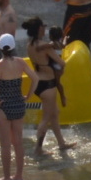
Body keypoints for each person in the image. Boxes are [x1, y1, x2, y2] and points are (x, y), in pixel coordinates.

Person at [0, 32, 31, 180]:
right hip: (18, 104)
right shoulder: (21, 62)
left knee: (5, 144)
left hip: (4, 106)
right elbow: (35, 78)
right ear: (14, 46)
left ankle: (6, 178)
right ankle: (19, 176)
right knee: (18, 142)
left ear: (0, 47)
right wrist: (29, 95)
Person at [28, 21, 70, 156]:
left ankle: (61, 143)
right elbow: (61, 62)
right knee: (46, 118)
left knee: (54, 113)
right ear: (39, 30)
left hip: (37, 82)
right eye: (43, 28)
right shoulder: (45, 47)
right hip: (48, 84)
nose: (44, 30)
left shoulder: (29, 45)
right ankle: (38, 149)